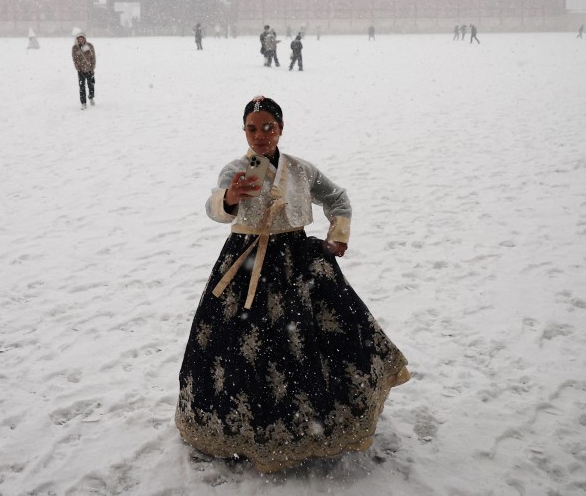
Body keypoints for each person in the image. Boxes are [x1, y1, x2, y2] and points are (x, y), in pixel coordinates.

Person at [175, 96, 410, 473]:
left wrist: (339, 233)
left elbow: (338, 198)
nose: (260, 136)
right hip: (246, 262)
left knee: (315, 337)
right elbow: (213, 208)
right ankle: (244, 425)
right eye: (252, 128)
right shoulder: (235, 170)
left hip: (298, 260)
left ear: (281, 128)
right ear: (244, 131)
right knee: (242, 346)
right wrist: (231, 197)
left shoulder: (302, 170)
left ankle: (318, 417)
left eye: (268, 127)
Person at [71, 28, 96, 110]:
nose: (81, 40)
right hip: (80, 70)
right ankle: (83, 103)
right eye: (79, 39)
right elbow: (74, 59)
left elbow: (93, 58)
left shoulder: (90, 46)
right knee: (82, 87)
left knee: (91, 85)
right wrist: (78, 68)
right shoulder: (75, 48)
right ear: (77, 39)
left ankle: (91, 97)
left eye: (82, 38)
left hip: (89, 69)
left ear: (84, 39)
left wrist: (92, 68)